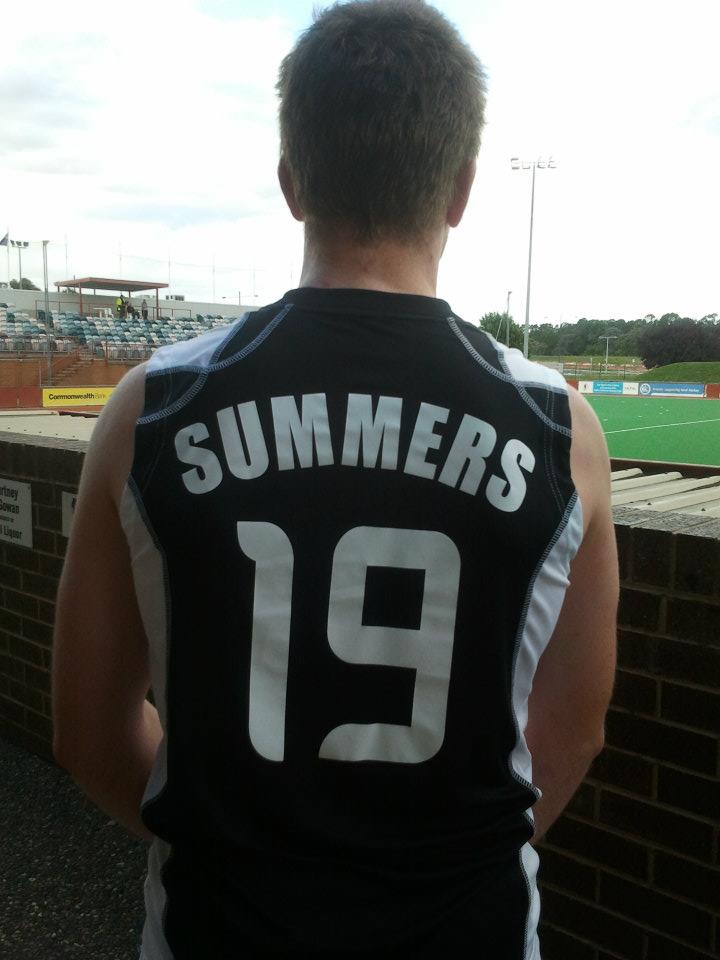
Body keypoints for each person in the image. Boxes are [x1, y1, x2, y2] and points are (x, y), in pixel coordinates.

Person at [52, 2, 618, 957]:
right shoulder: (562, 430)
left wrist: (243, 841)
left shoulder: (150, 410)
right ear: (463, 191)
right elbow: (571, 731)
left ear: (291, 183)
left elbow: (89, 732)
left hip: (220, 928)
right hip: (467, 929)